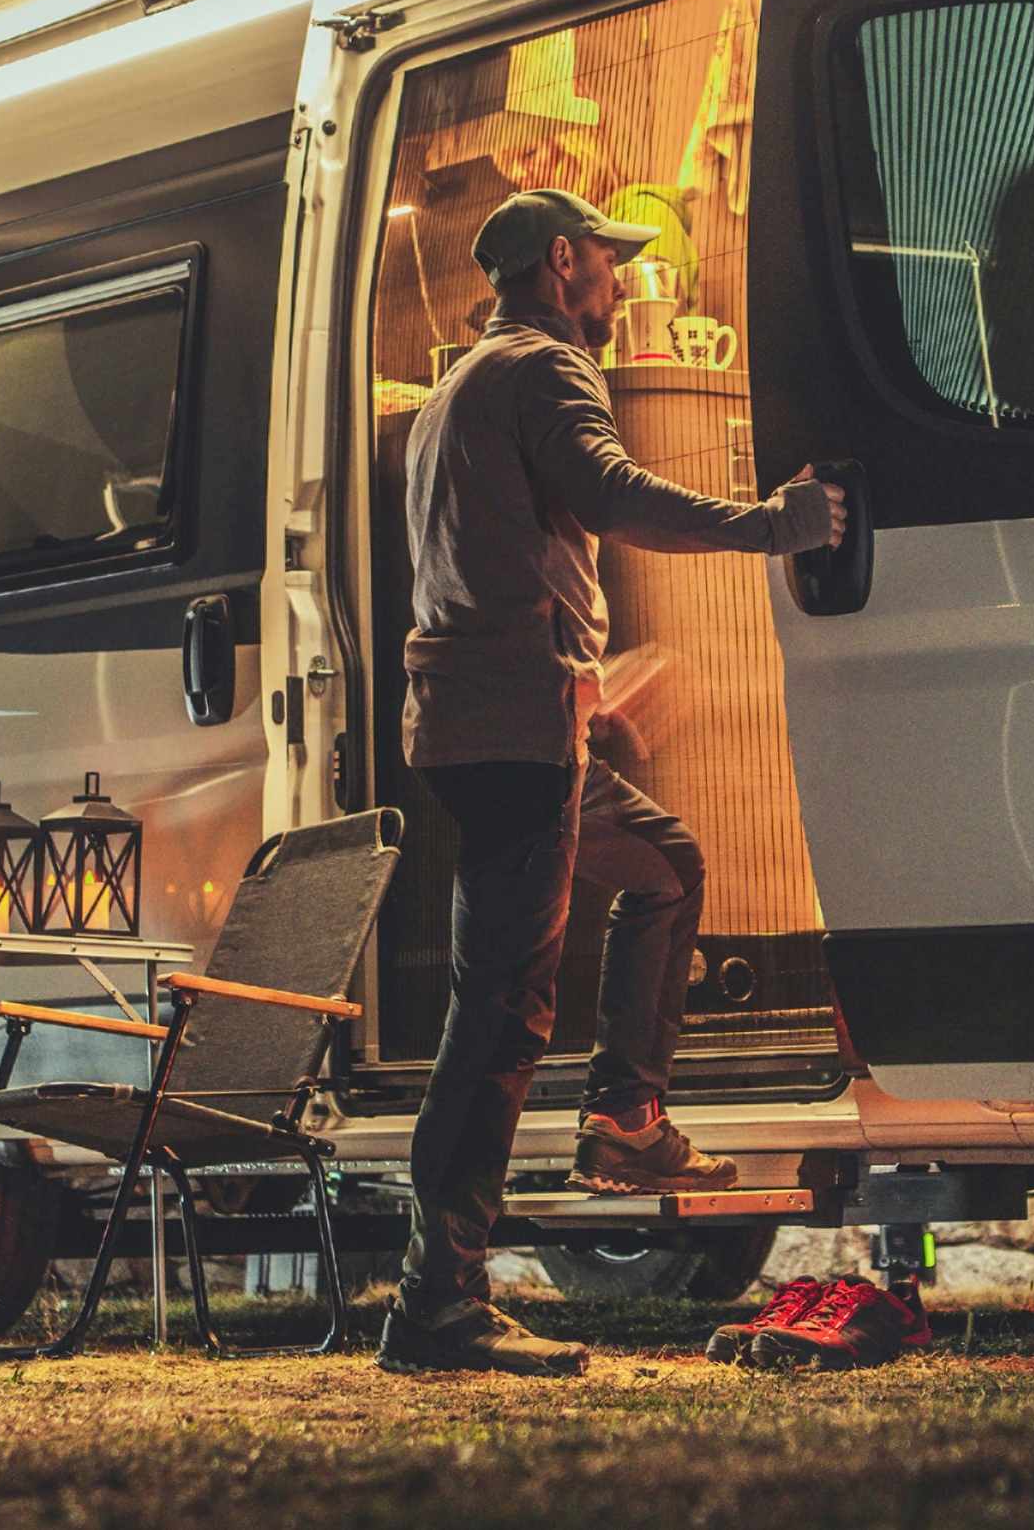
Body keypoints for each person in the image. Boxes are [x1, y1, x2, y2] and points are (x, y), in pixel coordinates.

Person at [376, 187, 850, 1378]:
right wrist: (769, 525)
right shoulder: (545, 369)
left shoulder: (455, 389)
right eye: (610, 261)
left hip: (495, 723)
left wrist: (579, 674)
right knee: (497, 1020)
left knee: (666, 865)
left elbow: (492, 561)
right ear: (560, 260)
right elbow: (617, 497)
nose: (623, 279)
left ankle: (626, 1121)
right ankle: (439, 1303)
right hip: (516, 736)